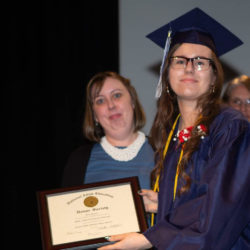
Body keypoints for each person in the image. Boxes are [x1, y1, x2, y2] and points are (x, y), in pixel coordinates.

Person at [98, 8, 250, 250]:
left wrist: (150, 238)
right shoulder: (172, 133)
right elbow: (199, 194)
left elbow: (222, 207)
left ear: (213, 77)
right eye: (179, 61)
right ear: (167, 73)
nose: (189, 68)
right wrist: (165, 202)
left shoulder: (230, 127)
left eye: (200, 62)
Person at [62, 71, 155, 191]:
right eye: (100, 101)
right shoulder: (78, 160)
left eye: (117, 95)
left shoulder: (164, 152)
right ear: (95, 115)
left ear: (132, 101)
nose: (111, 105)